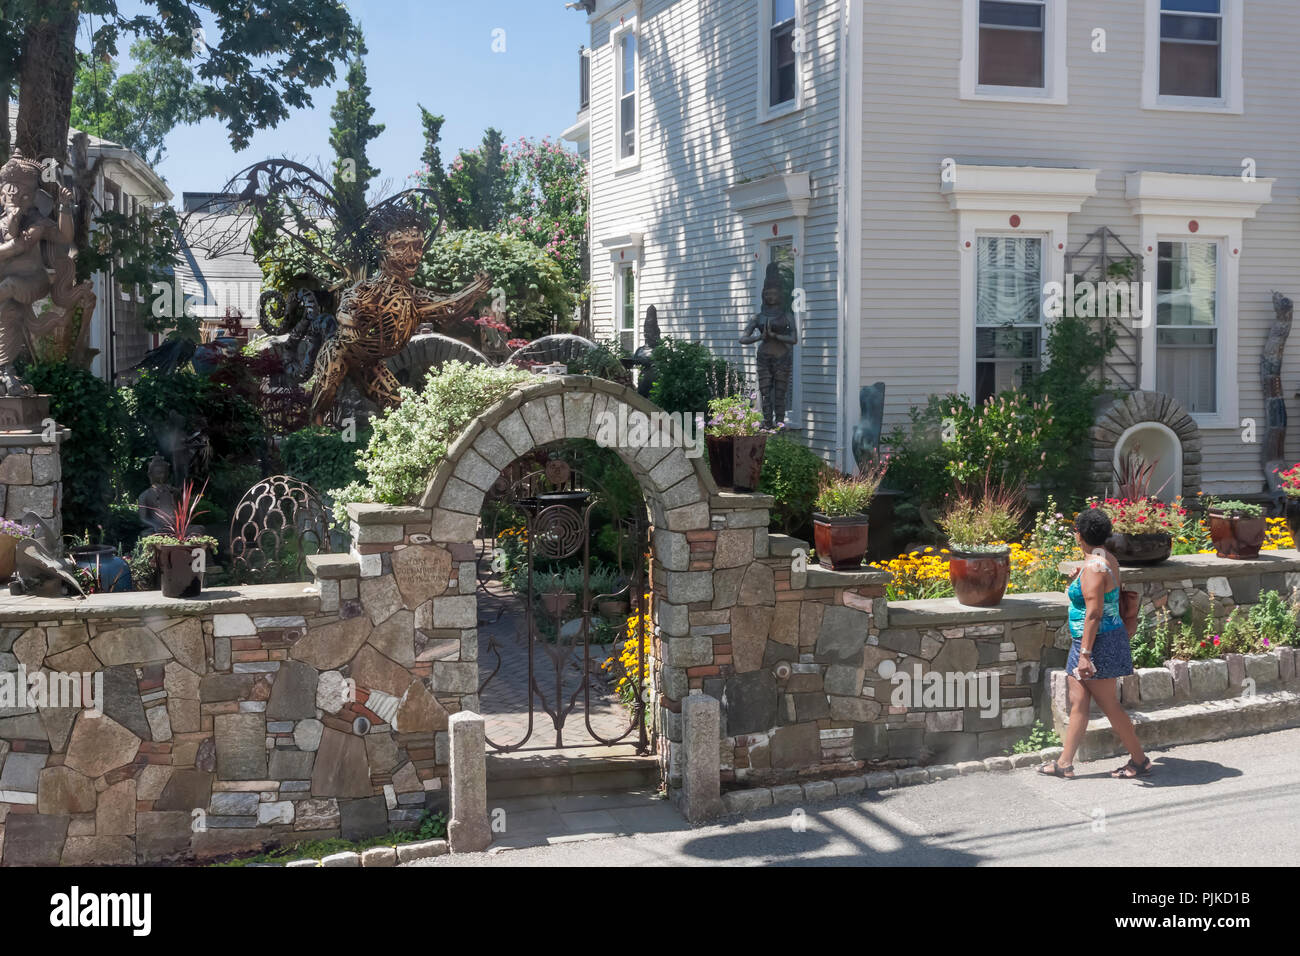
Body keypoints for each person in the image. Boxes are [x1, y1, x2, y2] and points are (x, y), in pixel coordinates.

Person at [1038, 507, 1153, 779]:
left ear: (1078, 534)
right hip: (1094, 640)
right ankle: (1065, 763)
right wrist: (1080, 576)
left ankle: (1140, 761)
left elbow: (1094, 613)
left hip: (1096, 643)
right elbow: (1101, 582)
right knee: (1078, 702)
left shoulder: (1093, 567)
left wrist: (1086, 655)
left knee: (1108, 704)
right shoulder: (1104, 557)